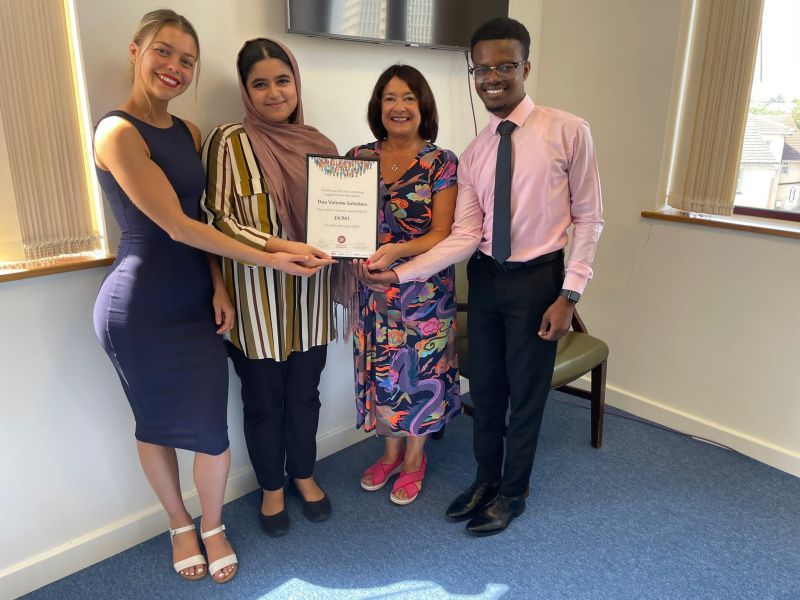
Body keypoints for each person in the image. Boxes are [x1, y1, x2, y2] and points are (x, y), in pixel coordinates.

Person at [92, 12, 325, 583]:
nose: (174, 68)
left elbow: (202, 220)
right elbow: (176, 226)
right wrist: (271, 256)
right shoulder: (116, 132)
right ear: (135, 51)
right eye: (163, 53)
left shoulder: (189, 133)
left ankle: (214, 524)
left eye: (187, 60)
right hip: (141, 304)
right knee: (155, 426)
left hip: (199, 295)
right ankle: (180, 524)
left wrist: (219, 284)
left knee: (209, 430)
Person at [365, 18, 604, 534]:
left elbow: (590, 218)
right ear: (473, 72)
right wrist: (403, 275)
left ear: (525, 67)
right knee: (489, 392)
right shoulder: (473, 153)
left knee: (526, 393)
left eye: (505, 66)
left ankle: (513, 492)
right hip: (487, 276)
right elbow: (464, 236)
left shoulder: (568, 130)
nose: (493, 77)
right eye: (483, 68)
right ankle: (484, 480)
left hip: (540, 280)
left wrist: (570, 293)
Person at [201, 38, 342, 536]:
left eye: (283, 80)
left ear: (296, 84)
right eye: (260, 83)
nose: (274, 92)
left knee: (305, 395)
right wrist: (280, 248)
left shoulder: (321, 147)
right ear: (245, 90)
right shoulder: (228, 140)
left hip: (310, 302)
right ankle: (272, 488)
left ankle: (303, 475)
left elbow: (342, 218)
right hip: (254, 304)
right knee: (263, 402)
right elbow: (216, 218)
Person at [350, 65, 461, 506]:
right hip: (372, 289)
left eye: (409, 98)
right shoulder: (356, 159)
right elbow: (342, 224)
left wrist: (395, 252)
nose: (399, 107)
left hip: (424, 294)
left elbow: (441, 233)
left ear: (423, 107)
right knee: (382, 373)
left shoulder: (441, 162)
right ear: (379, 106)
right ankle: (390, 451)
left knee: (420, 377)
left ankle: (415, 459)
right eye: (390, 98)